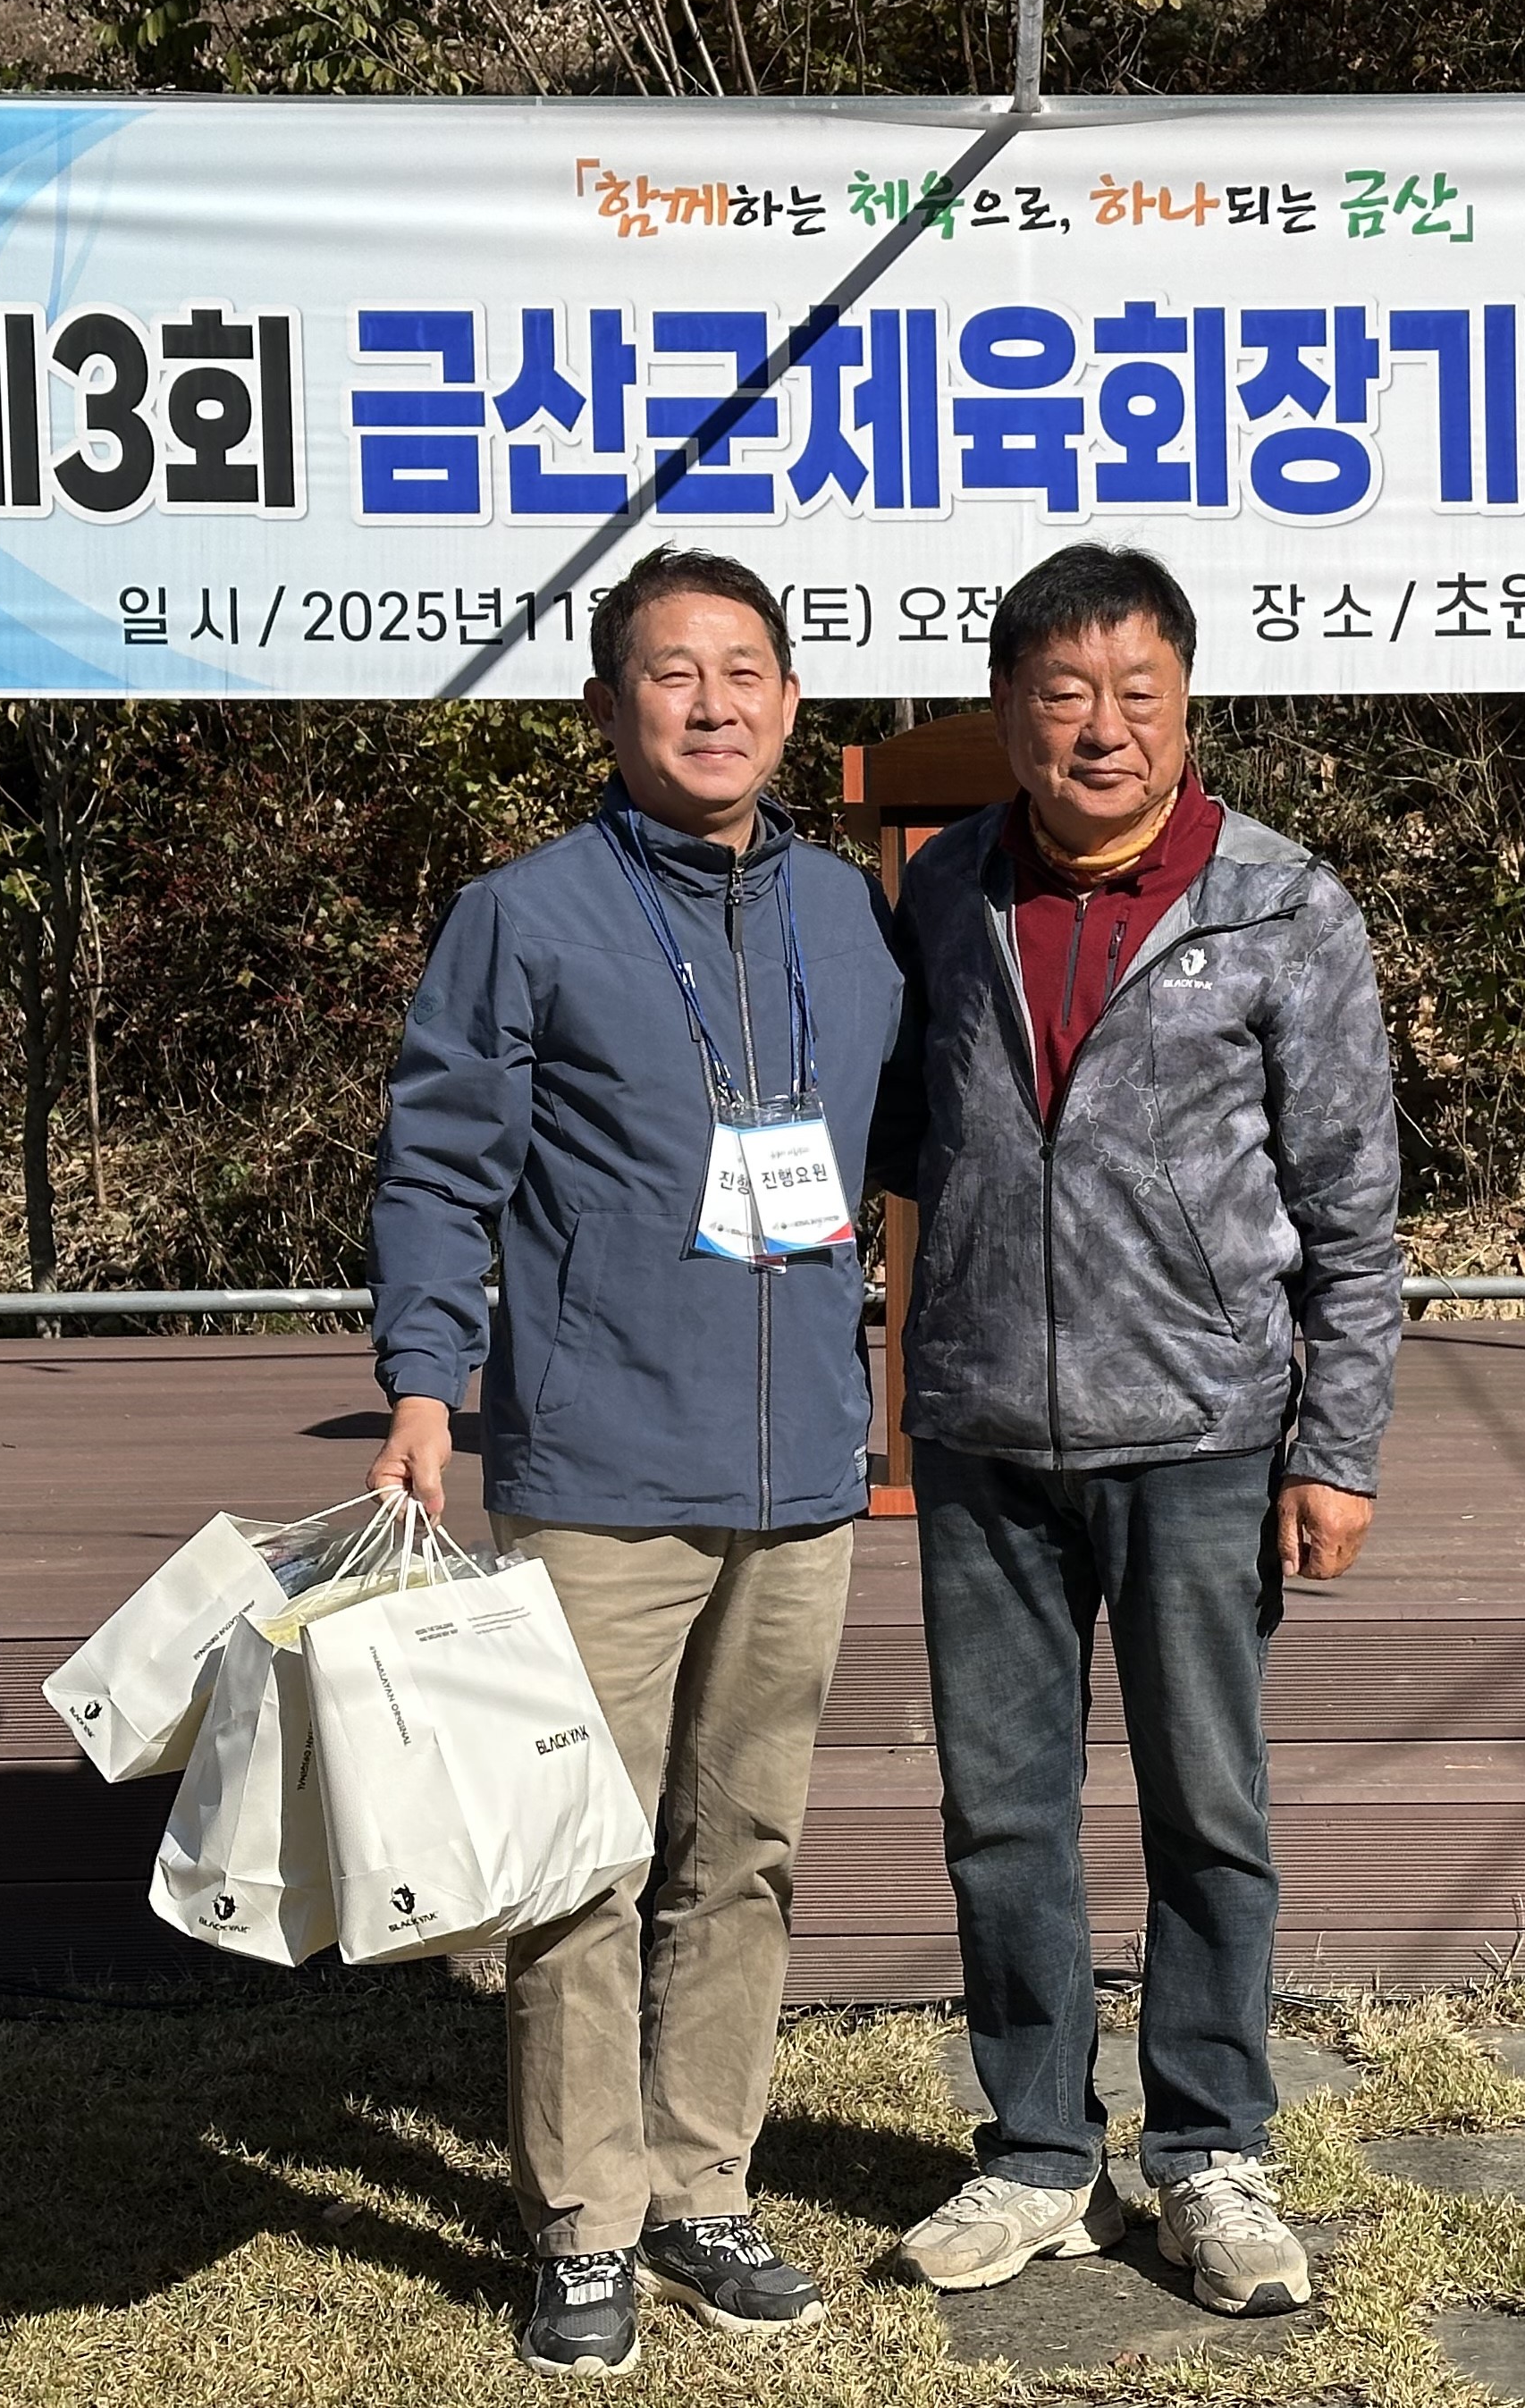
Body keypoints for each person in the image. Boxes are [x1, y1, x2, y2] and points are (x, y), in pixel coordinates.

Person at [364, 546, 907, 2379]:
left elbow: (917, 1141)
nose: (711, 703)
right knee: (579, 1856)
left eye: (743, 671)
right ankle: (585, 2222)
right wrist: (424, 1380)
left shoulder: (847, 914)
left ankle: (702, 2184)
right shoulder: (523, 913)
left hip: (802, 1471)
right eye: (672, 673)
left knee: (744, 1851)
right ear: (604, 707)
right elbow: (437, 1164)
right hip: (599, 1461)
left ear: (790, 703)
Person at [886, 543, 1401, 2318]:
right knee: (999, 1814)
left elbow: (1353, 1209)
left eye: (1137, 694)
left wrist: (1336, 1445)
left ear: (1185, 705)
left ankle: (1208, 2151)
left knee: (1207, 1809)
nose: (1101, 729)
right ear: (1007, 712)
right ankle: (1035, 2151)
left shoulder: (1279, 904)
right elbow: (904, 1134)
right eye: (1063, 695)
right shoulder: (944, 888)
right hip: (982, 1433)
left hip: (1201, 1429)